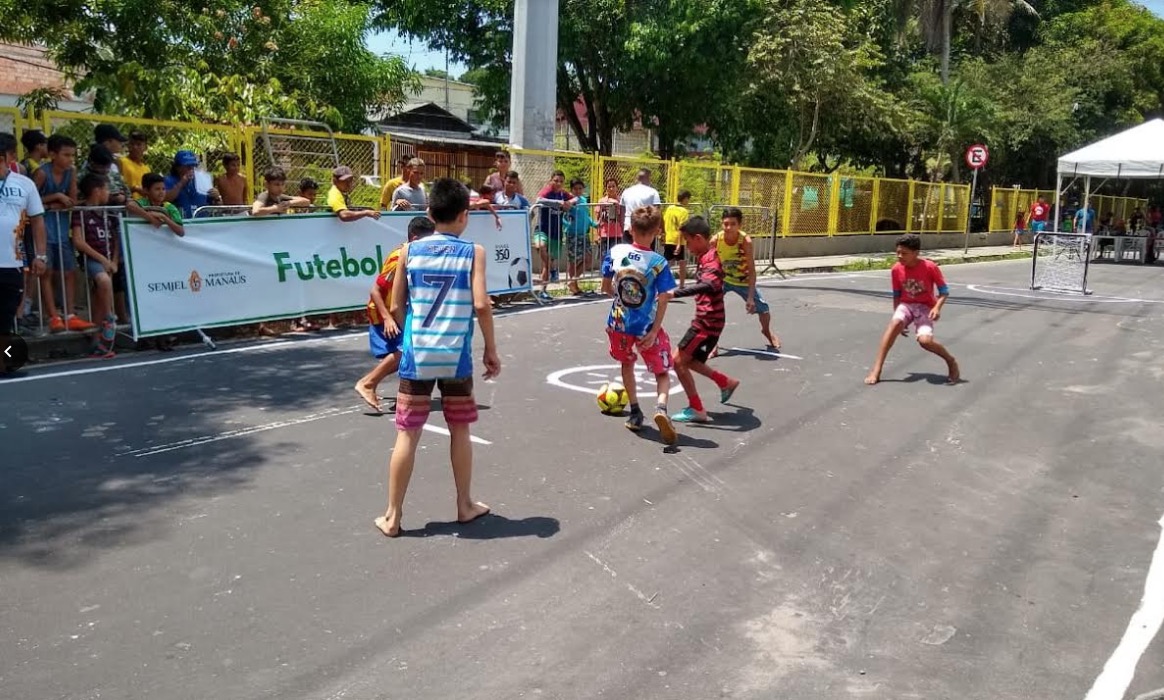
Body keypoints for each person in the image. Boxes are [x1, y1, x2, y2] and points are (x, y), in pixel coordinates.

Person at [374, 178, 500, 538]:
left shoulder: (409, 252)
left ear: (428, 213)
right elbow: (480, 304)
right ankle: (464, 504)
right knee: (459, 429)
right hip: (455, 354)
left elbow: (397, 305)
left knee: (407, 434)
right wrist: (490, 349)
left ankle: (393, 515)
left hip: (418, 352)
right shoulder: (473, 252)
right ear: (464, 216)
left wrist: (411, 332)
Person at [601, 206, 678, 444]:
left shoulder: (616, 251)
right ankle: (661, 409)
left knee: (626, 363)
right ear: (656, 231)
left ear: (630, 229)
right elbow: (665, 296)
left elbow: (605, 287)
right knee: (662, 371)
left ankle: (635, 412)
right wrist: (655, 329)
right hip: (646, 326)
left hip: (619, 322)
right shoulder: (658, 262)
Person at [355, 215, 436, 414]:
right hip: (383, 313)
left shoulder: (415, 255)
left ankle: (405, 393)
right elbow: (375, 290)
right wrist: (388, 318)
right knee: (407, 349)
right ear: (416, 240)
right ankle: (367, 383)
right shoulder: (399, 256)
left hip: (401, 310)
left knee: (409, 352)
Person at [668, 216, 740, 423]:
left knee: (677, 362)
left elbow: (710, 285)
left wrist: (676, 293)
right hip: (709, 321)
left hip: (706, 324)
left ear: (698, 238)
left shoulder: (710, 260)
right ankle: (726, 382)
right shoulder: (707, 256)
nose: (687, 247)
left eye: (688, 241)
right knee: (690, 361)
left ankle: (697, 408)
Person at [864, 234, 959, 386]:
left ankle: (951, 361)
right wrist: (897, 317)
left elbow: (944, 292)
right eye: (898, 252)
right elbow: (897, 295)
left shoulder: (930, 267)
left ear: (916, 253)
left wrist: (937, 307)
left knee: (925, 341)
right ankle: (876, 369)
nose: (900, 256)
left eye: (904, 253)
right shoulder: (896, 269)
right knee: (894, 325)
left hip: (925, 307)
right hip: (906, 305)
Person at [34, 134, 93, 333]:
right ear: (52, 154)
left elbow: (73, 200)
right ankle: (53, 316)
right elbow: (32, 200)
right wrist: (56, 196)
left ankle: (70, 315)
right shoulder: (42, 173)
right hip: (43, 230)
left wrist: (60, 199)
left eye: (72, 155)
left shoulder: (71, 172)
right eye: (66, 155)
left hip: (61, 228)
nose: (70, 159)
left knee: (69, 272)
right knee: (47, 273)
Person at [712, 207, 780, 351]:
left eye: (733, 224)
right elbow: (707, 262)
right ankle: (713, 344)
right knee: (711, 310)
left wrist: (750, 297)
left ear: (740, 225)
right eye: (725, 224)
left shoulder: (745, 241)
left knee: (764, 309)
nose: (728, 227)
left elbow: (752, 270)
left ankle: (767, 331)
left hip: (742, 281)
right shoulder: (716, 240)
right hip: (723, 279)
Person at [0, 132, 46, 341]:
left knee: (6, 320)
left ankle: (5, 362)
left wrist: (41, 256)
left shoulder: (25, 184)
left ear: (9, 157)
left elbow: (37, 221)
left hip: (12, 264)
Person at [70, 173, 120, 357]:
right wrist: (102, 259)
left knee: (99, 298)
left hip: (108, 260)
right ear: (97, 191)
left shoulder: (108, 211)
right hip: (93, 259)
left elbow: (116, 239)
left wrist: (113, 261)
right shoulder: (81, 211)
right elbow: (78, 241)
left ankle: (98, 343)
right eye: (106, 189)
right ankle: (109, 318)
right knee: (104, 282)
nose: (108, 193)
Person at [534, 170, 575, 300]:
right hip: (542, 228)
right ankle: (553, 270)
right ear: (551, 180)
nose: (558, 183)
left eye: (561, 181)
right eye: (556, 180)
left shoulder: (563, 193)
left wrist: (569, 203)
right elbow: (539, 199)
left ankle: (543, 290)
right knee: (540, 246)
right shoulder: (547, 191)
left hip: (556, 232)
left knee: (548, 262)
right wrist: (557, 204)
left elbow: (577, 198)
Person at [562, 178, 595, 295]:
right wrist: (567, 225)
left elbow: (586, 216)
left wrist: (594, 224)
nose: (578, 191)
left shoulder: (584, 200)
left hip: (584, 234)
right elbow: (563, 217)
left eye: (580, 188)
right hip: (573, 234)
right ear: (571, 189)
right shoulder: (569, 201)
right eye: (575, 189)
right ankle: (574, 287)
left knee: (589, 259)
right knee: (573, 261)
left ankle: (572, 280)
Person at [164, 150, 220, 218]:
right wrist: (181, 183)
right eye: (187, 166)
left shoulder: (201, 180)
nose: (191, 169)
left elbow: (216, 205)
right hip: (181, 223)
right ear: (177, 167)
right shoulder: (169, 180)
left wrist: (217, 197)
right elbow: (165, 199)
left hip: (201, 222)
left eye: (193, 166)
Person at [619, 168, 661, 243]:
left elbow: (622, 212)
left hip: (629, 228)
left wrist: (623, 228)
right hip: (646, 230)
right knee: (646, 253)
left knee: (628, 253)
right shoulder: (653, 192)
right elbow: (657, 212)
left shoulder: (626, 191)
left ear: (637, 178)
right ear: (648, 178)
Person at [663, 190, 691, 287]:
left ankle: (662, 282)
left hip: (668, 238)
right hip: (679, 240)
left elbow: (664, 221)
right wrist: (679, 244)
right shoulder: (684, 211)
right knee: (682, 263)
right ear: (685, 199)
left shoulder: (669, 208)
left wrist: (663, 234)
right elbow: (681, 228)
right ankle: (682, 285)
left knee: (667, 263)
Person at [596, 177, 623, 259]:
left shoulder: (621, 200)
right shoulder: (602, 201)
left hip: (617, 234)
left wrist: (617, 207)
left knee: (616, 258)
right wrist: (597, 234)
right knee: (604, 257)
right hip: (604, 234)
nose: (611, 189)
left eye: (613, 186)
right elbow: (598, 218)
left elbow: (622, 218)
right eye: (609, 187)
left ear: (617, 187)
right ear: (606, 188)